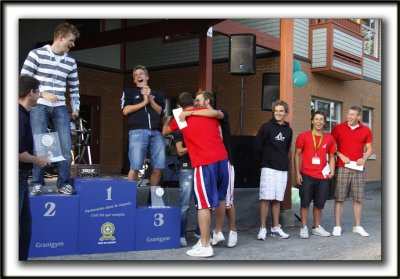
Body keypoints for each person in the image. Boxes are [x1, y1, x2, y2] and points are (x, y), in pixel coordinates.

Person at [163, 92, 229, 258]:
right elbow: (218, 113)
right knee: (219, 199)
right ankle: (214, 234)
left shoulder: (180, 118)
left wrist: (171, 117)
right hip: (223, 160)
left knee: (203, 205)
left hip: (205, 162)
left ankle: (206, 245)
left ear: (179, 106)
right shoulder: (208, 112)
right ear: (194, 103)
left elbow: (164, 131)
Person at [20, 22, 81, 195]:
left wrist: (75, 107)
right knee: (40, 144)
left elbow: (75, 87)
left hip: (60, 106)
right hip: (39, 106)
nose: (73, 44)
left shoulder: (71, 62)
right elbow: (24, 79)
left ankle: (63, 184)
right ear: (60, 37)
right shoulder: (36, 54)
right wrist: (42, 93)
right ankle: (38, 183)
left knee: (65, 145)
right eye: (71, 40)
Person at [193, 91, 238, 248]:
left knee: (226, 201)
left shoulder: (220, 113)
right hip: (211, 162)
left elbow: (215, 114)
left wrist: (187, 112)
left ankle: (232, 231)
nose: (195, 103)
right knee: (214, 200)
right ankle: (216, 233)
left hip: (225, 161)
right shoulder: (199, 116)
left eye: (198, 100)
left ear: (207, 100)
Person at [121, 65, 166, 192]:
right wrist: (143, 102)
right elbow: (126, 110)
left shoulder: (158, 94)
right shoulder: (129, 92)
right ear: (134, 80)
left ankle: (153, 197)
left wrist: (150, 98)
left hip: (156, 133)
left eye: (141, 74)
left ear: (147, 77)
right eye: (136, 75)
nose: (139, 76)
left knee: (158, 167)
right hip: (137, 132)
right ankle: (130, 197)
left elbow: (160, 112)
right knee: (135, 166)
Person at [19, 75, 49, 260]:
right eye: (38, 92)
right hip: (16, 178)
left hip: (22, 179)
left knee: (24, 228)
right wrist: (37, 160)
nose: (39, 96)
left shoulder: (24, 115)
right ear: (31, 92)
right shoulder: (18, 116)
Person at [331, 105, 373, 237]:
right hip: (343, 167)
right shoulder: (338, 128)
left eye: (352, 115)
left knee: (358, 199)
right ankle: (337, 226)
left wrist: (364, 157)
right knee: (340, 198)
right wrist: (340, 155)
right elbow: (331, 146)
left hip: (358, 169)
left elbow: (370, 148)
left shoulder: (366, 130)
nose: (349, 116)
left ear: (358, 117)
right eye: (348, 114)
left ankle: (357, 226)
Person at [294, 111, 336, 239]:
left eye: (321, 119)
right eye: (316, 119)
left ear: (324, 122)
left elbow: (332, 156)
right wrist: (297, 173)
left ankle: (316, 227)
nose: (318, 121)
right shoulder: (303, 136)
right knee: (305, 202)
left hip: (322, 177)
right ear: (312, 121)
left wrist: (332, 171)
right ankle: (304, 228)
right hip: (306, 174)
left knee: (319, 203)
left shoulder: (329, 138)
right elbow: (297, 154)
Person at [254, 99, 293, 240]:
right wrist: (262, 164)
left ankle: (275, 227)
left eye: (281, 111)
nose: (278, 113)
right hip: (268, 168)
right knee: (265, 198)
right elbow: (257, 147)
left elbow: (286, 149)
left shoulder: (289, 131)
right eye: (276, 111)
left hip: (282, 169)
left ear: (286, 113)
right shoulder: (266, 127)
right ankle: (263, 228)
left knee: (277, 199)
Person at [172, 127, 194, 247]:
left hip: (201, 166)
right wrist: (195, 145)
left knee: (202, 204)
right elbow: (180, 150)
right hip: (187, 168)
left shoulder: (198, 128)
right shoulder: (179, 131)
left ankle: (200, 232)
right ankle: (181, 234)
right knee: (185, 204)